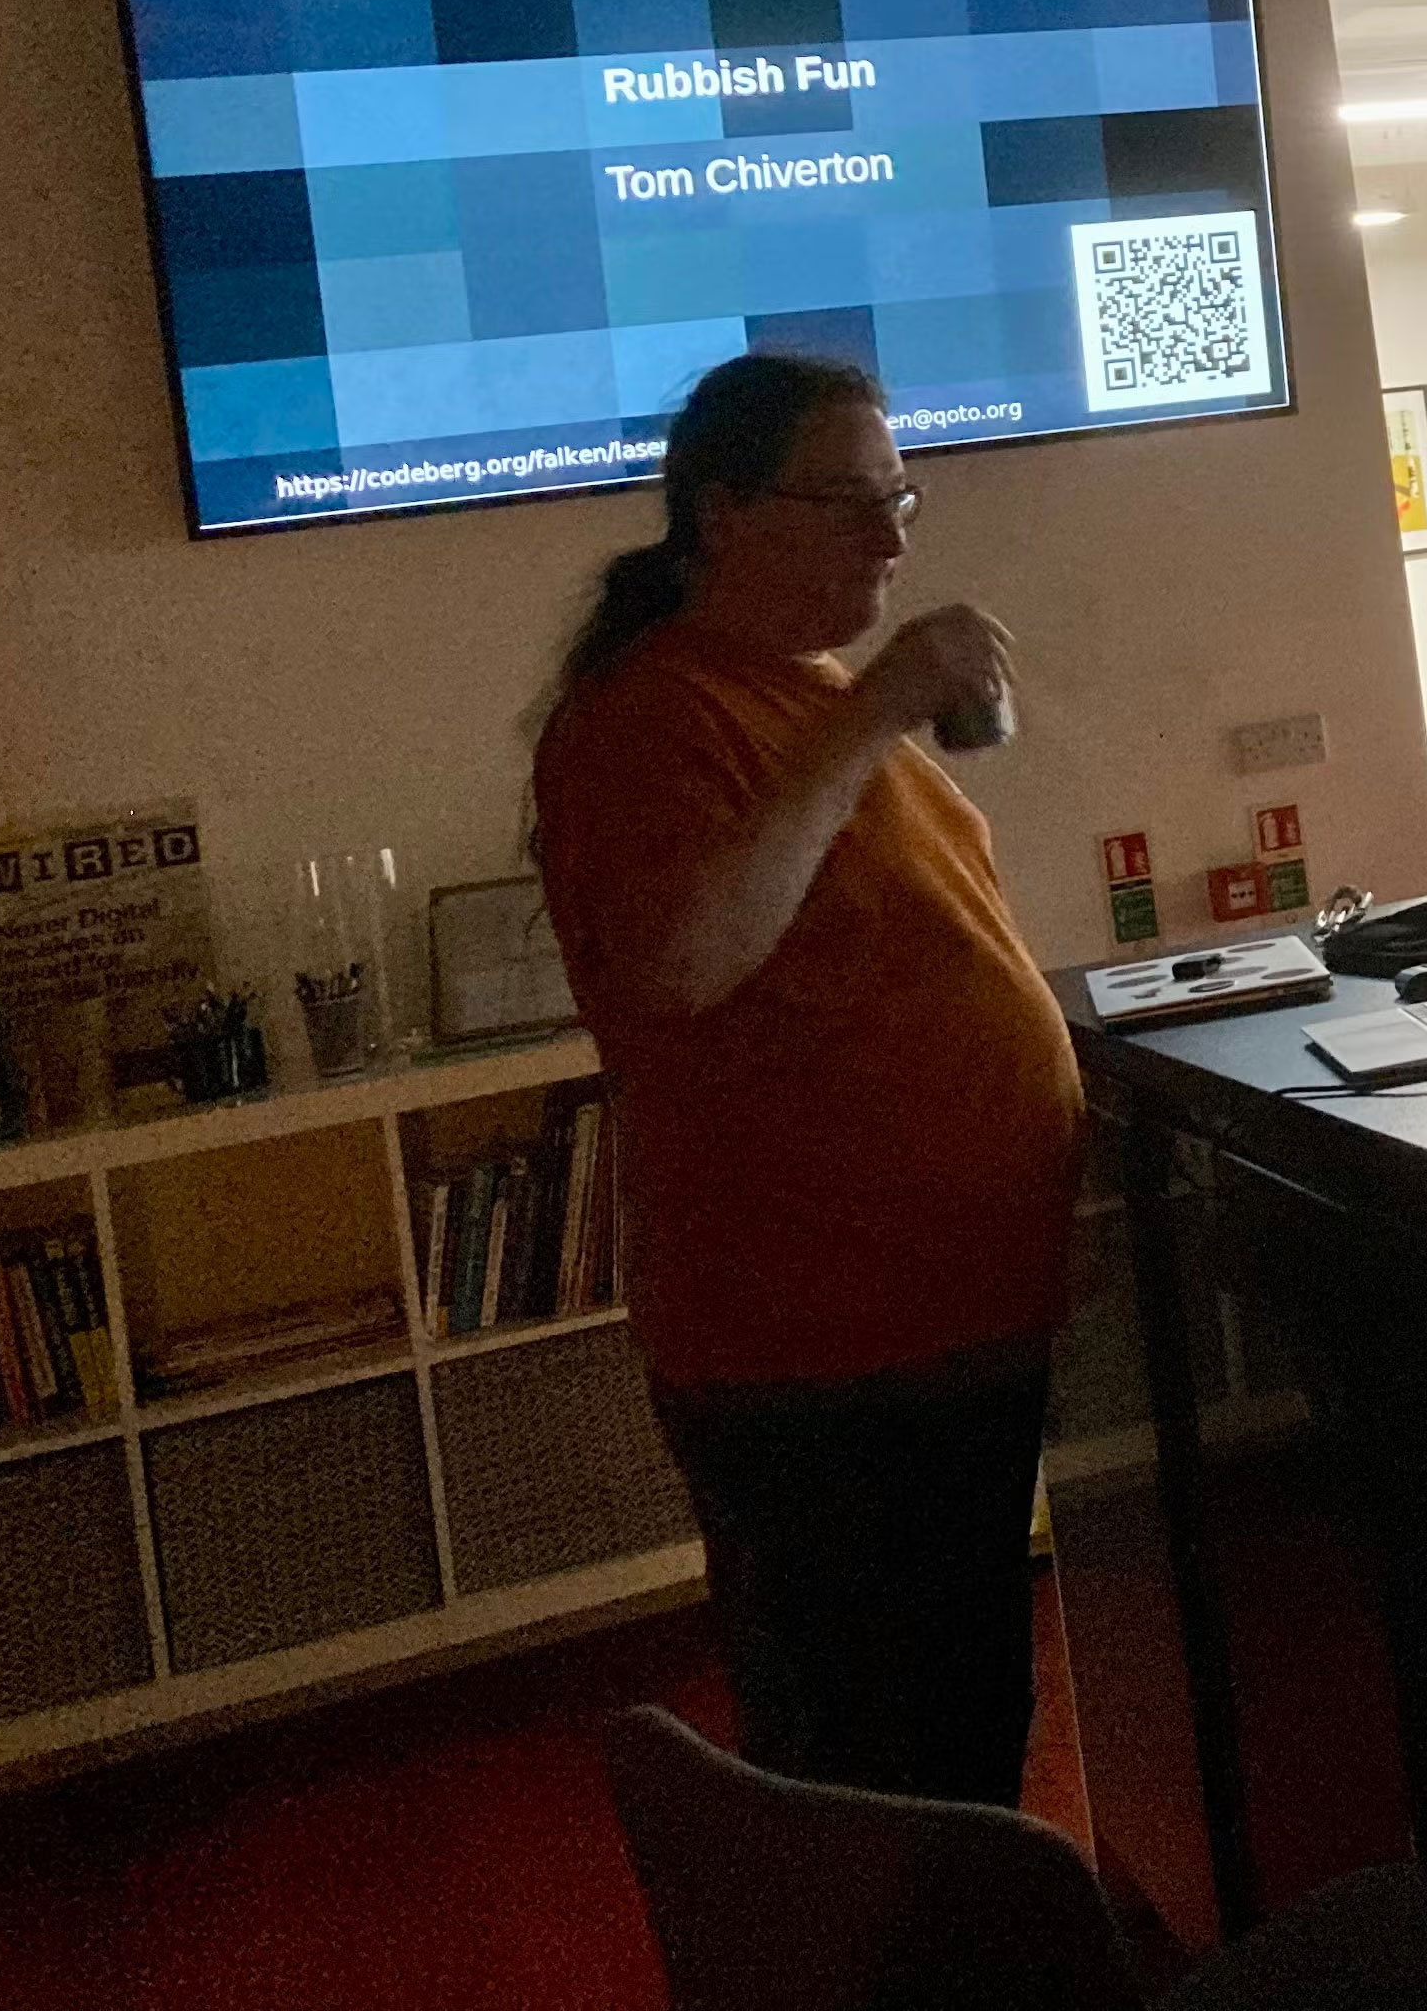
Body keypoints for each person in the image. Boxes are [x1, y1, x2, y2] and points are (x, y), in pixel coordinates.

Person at [530, 353, 1079, 1808]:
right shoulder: (654, 716)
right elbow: (682, 964)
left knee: (961, 1722)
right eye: (849, 503)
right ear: (723, 511)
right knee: (870, 1759)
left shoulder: (812, 696)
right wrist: (882, 704)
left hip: (942, 1328)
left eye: (900, 499)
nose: (894, 539)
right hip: (823, 1358)